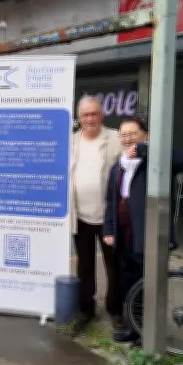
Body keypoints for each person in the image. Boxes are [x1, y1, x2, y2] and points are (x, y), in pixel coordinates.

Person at [102, 117, 183, 342]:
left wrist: (144, 149)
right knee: (129, 285)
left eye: (133, 134)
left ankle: (150, 334)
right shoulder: (118, 166)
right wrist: (108, 230)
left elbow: (180, 160)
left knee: (149, 286)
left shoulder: (155, 163)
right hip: (125, 237)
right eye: (124, 135)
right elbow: (111, 201)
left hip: (149, 237)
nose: (128, 139)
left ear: (145, 135)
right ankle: (134, 328)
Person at [71, 95, 122, 332]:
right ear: (79, 118)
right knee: (84, 264)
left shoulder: (116, 138)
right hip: (80, 215)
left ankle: (116, 310)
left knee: (114, 265)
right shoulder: (71, 141)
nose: (90, 119)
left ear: (101, 115)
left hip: (109, 217)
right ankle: (86, 308)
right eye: (85, 115)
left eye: (93, 114)